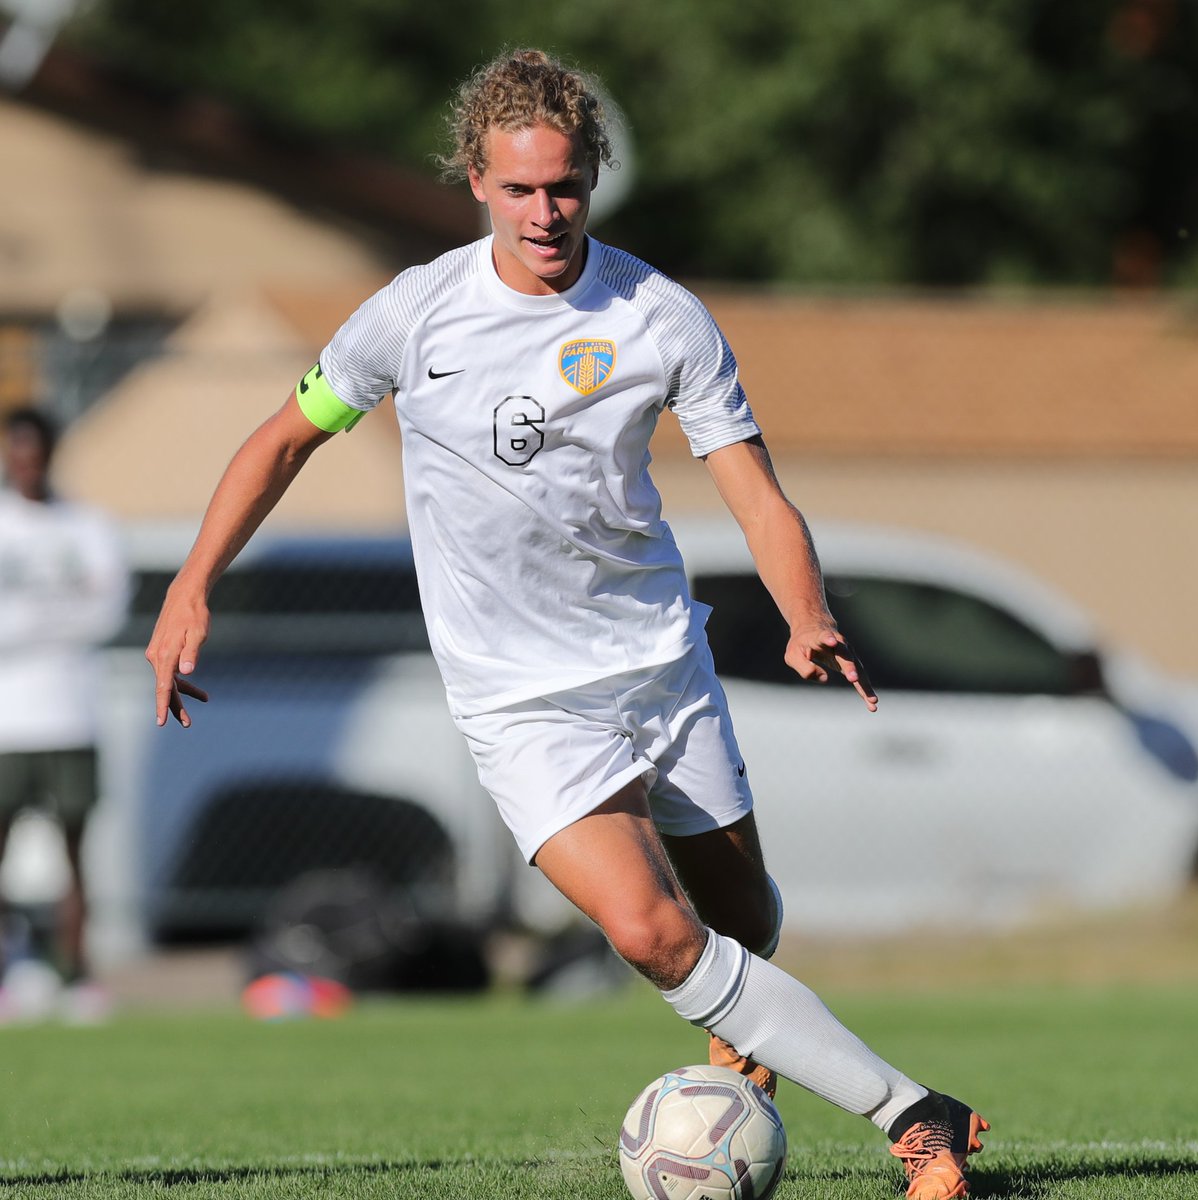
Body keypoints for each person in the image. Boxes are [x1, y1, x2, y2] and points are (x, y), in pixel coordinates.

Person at [146, 50, 989, 1198]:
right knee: (652, 932)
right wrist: (193, 584)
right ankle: (915, 1119)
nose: (545, 214)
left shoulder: (659, 314)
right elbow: (282, 440)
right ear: (477, 183)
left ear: (593, 177)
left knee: (740, 914)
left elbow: (753, 488)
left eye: (566, 188)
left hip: (659, 663)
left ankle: (746, 1039)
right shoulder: (414, 313)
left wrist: (805, 611)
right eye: (520, 189)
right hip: (519, 696)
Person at [0, 406, 129, 1020]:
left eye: (36, 454)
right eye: (16, 454)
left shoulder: (89, 526)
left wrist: (30, 623)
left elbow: (103, 613)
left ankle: (75, 971)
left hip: (70, 714)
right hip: (7, 721)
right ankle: (11, 970)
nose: (26, 466)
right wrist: (53, 619)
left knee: (74, 854)